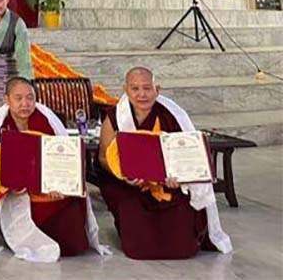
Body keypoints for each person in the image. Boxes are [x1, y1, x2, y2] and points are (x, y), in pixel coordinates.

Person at [98, 67, 232, 259]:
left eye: (147, 88)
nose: (142, 94)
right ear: (126, 90)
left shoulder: (174, 115)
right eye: (135, 89)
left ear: (157, 90)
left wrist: (181, 178)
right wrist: (124, 176)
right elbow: (104, 157)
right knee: (136, 231)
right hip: (130, 186)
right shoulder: (114, 118)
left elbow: (190, 154)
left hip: (169, 185)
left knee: (183, 245)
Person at [0, 77, 108, 262]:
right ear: (7, 100)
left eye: (30, 98)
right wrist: (20, 185)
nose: (25, 104)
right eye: (18, 98)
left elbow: (63, 159)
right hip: (20, 193)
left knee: (72, 238)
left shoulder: (47, 121)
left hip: (51, 190)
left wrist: (61, 184)